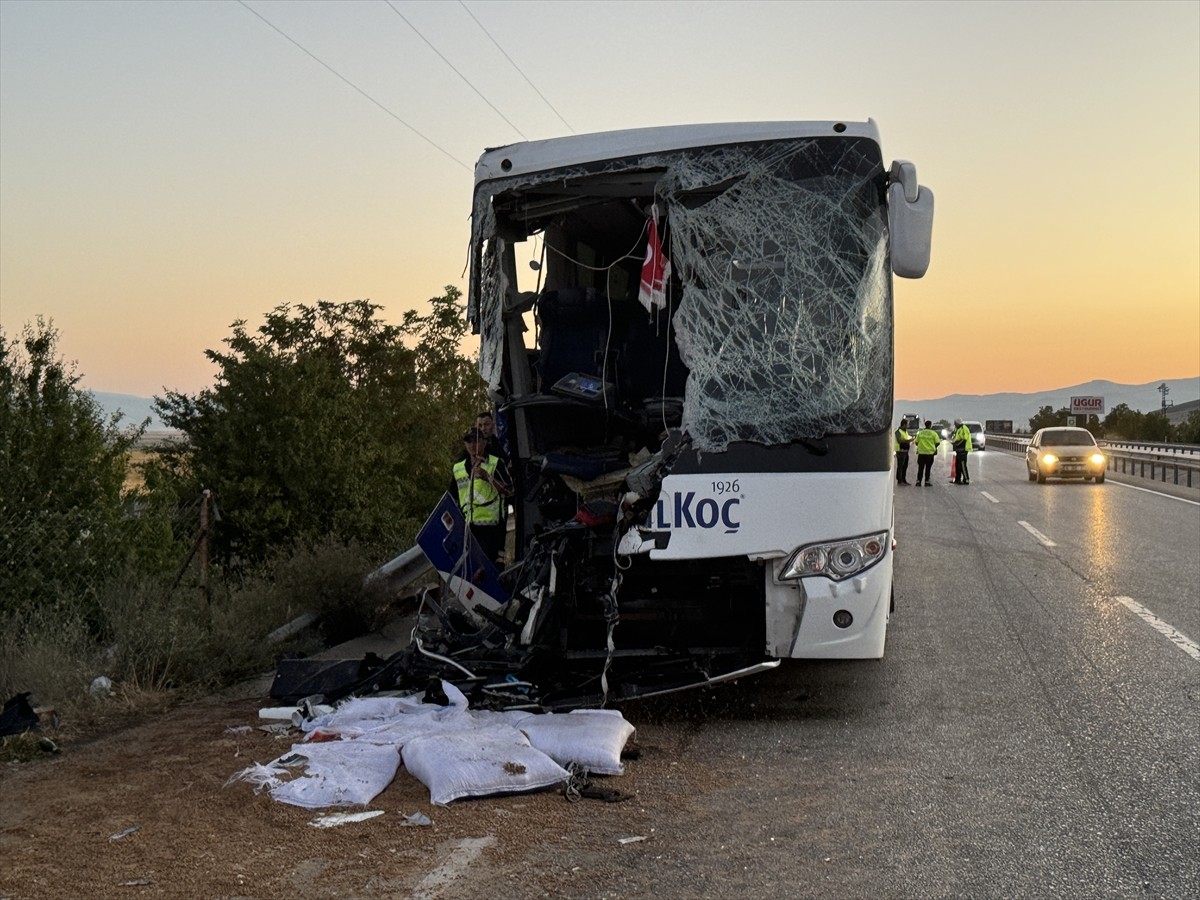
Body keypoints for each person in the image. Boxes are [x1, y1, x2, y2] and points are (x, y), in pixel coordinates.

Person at [450, 428, 513, 567]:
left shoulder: (495, 463)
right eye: (469, 441)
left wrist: (488, 477)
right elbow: (452, 497)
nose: (473, 445)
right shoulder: (458, 468)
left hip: (492, 528)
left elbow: (510, 491)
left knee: (492, 569)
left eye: (477, 440)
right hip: (469, 528)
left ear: (484, 443)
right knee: (472, 570)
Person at [914, 419, 940, 486]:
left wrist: (922, 446)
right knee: (928, 468)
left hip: (921, 453)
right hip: (930, 454)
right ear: (930, 425)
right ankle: (927, 481)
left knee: (920, 468)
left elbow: (916, 442)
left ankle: (918, 481)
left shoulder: (920, 433)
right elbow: (937, 442)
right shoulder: (933, 433)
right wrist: (933, 447)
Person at [951, 418, 973, 485]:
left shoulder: (964, 429)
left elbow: (964, 439)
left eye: (955, 424)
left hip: (963, 450)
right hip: (959, 450)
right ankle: (958, 479)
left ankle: (966, 479)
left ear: (957, 423)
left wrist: (957, 444)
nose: (954, 425)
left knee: (963, 465)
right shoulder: (958, 429)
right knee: (958, 465)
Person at [894, 421, 913, 485]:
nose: (908, 426)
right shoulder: (898, 432)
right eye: (907, 425)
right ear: (904, 425)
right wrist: (908, 440)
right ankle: (900, 480)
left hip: (905, 451)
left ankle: (904, 480)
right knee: (900, 466)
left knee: (905, 466)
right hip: (900, 451)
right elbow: (899, 440)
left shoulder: (905, 432)